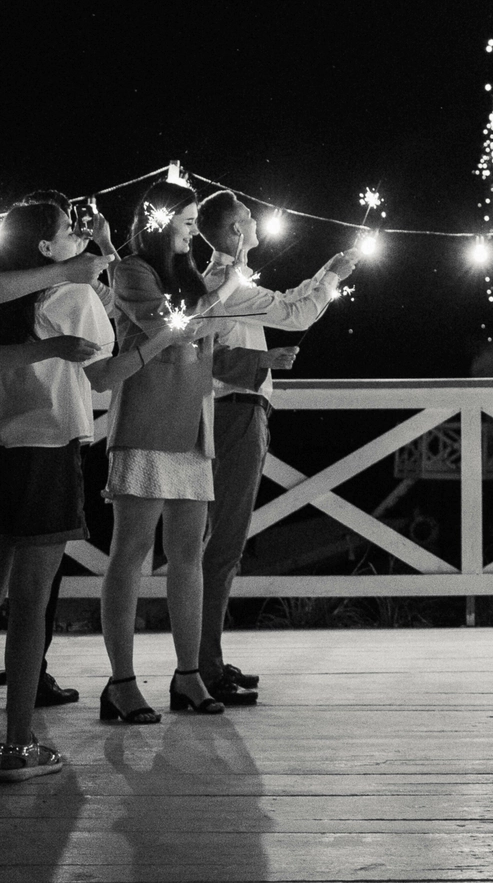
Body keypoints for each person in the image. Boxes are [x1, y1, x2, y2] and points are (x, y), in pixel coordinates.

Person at [0, 199, 193, 781]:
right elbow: (104, 375)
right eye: (69, 230)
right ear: (46, 248)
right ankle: (18, 744)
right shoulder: (74, 296)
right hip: (46, 447)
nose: (79, 236)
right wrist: (158, 342)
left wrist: (103, 255)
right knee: (30, 604)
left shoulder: (14, 298)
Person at [100, 181, 274, 724]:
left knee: (188, 555)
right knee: (131, 553)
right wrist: (229, 286)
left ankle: (188, 675)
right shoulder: (133, 272)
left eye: (197, 221)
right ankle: (121, 682)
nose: (194, 231)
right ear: (160, 220)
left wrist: (258, 362)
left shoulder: (192, 277)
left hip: (194, 428)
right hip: (148, 422)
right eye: (188, 221)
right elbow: (172, 328)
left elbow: (207, 348)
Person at [194, 189, 353, 704]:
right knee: (223, 546)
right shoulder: (225, 282)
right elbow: (295, 314)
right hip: (234, 414)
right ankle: (201, 667)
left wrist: (325, 273)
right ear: (234, 231)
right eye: (248, 215)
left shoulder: (230, 281)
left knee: (222, 544)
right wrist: (331, 279)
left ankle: (206, 658)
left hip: (238, 412)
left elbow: (281, 306)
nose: (257, 220)